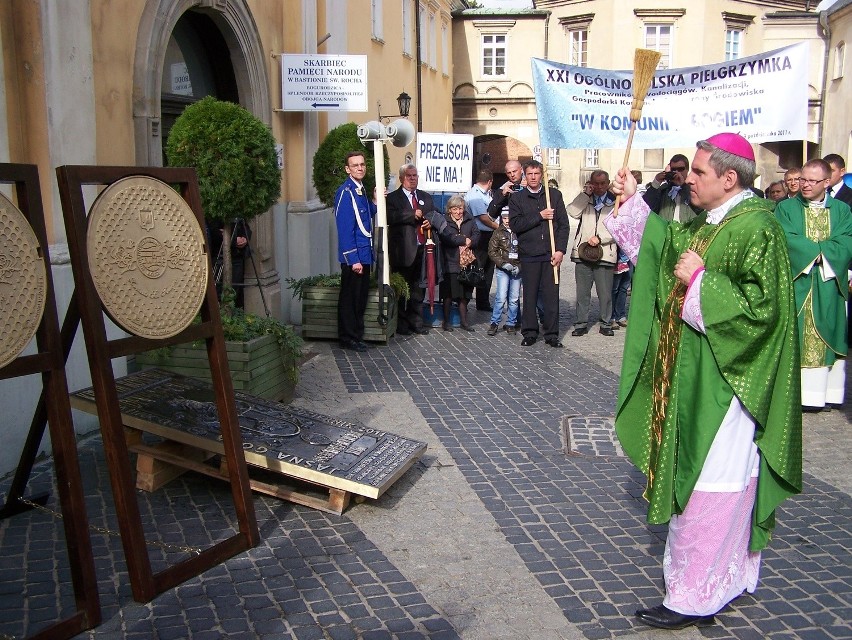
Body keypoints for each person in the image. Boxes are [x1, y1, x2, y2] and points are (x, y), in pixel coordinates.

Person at [605, 133, 802, 631]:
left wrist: (700, 282)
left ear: (729, 178)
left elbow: (765, 314)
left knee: (709, 483)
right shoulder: (714, 222)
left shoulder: (757, 228)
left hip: (729, 385)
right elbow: (667, 247)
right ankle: (720, 578)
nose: (687, 179)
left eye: (698, 172)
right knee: (708, 478)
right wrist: (632, 207)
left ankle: (694, 595)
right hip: (697, 376)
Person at [775, 158, 852, 409]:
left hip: (829, 284)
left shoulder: (842, 210)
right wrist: (817, 254)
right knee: (796, 335)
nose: (804, 185)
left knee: (829, 331)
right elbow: (785, 236)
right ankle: (799, 396)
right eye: (802, 179)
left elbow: (846, 240)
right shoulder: (786, 208)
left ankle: (827, 393)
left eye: (811, 181)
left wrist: (822, 254)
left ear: (827, 182)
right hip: (800, 281)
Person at [509, 160, 569, 347]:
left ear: (541, 174)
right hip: (529, 254)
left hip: (550, 254)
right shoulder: (517, 199)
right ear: (525, 176)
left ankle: (551, 334)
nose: (533, 177)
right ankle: (530, 332)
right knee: (530, 296)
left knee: (551, 297)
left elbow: (563, 226)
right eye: (530, 174)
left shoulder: (554, 196)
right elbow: (516, 225)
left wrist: (560, 250)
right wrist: (539, 216)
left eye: (536, 173)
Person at [387, 163, 440, 336]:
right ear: (402, 178)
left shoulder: (425, 196)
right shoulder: (393, 198)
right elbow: (389, 217)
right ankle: (402, 325)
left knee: (419, 289)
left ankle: (417, 323)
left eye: (415, 175)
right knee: (403, 289)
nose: (412, 179)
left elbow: (433, 213)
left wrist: (429, 221)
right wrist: (411, 214)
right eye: (409, 176)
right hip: (403, 251)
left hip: (423, 249)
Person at [333, 151, 377, 352]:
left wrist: (375, 202)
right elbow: (345, 229)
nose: (360, 168)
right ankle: (348, 337)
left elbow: (366, 214)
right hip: (356, 257)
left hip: (364, 253)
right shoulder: (346, 191)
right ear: (347, 169)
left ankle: (356, 335)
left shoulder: (361, 190)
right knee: (350, 299)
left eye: (362, 164)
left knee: (360, 298)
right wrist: (353, 259)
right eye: (355, 165)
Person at [568, 170, 617, 336]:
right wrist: (584, 195)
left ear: (608, 183)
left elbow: (619, 228)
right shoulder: (586, 199)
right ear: (591, 183)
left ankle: (606, 323)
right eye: (596, 183)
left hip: (606, 252)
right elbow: (573, 212)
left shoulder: (615, 202)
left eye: (603, 183)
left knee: (605, 293)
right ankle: (581, 323)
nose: (599, 187)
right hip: (583, 252)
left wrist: (600, 237)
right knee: (582, 292)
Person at [439, 195, 479, 331]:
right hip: (450, 262)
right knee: (448, 294)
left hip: (467, 263)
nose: (458, 212)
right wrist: (464, 240)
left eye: (460, 209)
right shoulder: (445, 220)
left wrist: (471, 241)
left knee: (464, 295)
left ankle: (464, 322)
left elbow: (477, 235)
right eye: (455, 209)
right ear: (449, 209)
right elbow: (447, 238)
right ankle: (446, 322)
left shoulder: (469, 219)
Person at [464, 169, 496, 312]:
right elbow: (483, 217)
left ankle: (483, 302)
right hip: (480, 236)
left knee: (488, 269)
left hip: (488, 235)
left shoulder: (486, 194)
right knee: (476, 268)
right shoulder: (475, 195)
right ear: (490, 182)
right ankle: (465, 300)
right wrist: (499, 227)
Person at [487, 208, 521, 335]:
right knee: (501, 297)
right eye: (505, 218)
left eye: (509, 218)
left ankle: (511, 322)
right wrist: (502, 263)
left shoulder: (519, 232)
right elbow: (492, 251)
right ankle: (494, 322)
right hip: (503, 269)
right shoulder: (498, 232)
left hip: (517, 268)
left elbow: (524, 251)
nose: (507, 221)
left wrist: (520, 267)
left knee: (514, 298)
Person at [643, 154, 701, 223]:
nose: (676, 172)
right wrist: (656, 183)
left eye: (680, 169)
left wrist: (683, 186)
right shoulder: (664, 189)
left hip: (687, 230)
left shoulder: (694, 188)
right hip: (666, 230)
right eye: (673, 169)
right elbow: (646, 207)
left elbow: (700, 209)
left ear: (687, 169)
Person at [209, 217, 252, 309]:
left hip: (237, 255)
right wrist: (232, 240)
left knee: (235, 289)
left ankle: (233, 314)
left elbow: (246, 228)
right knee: (219, 290)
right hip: (219, 256)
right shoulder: (214, 215)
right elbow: (214, 233)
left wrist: (245, 238)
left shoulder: (238, 212)